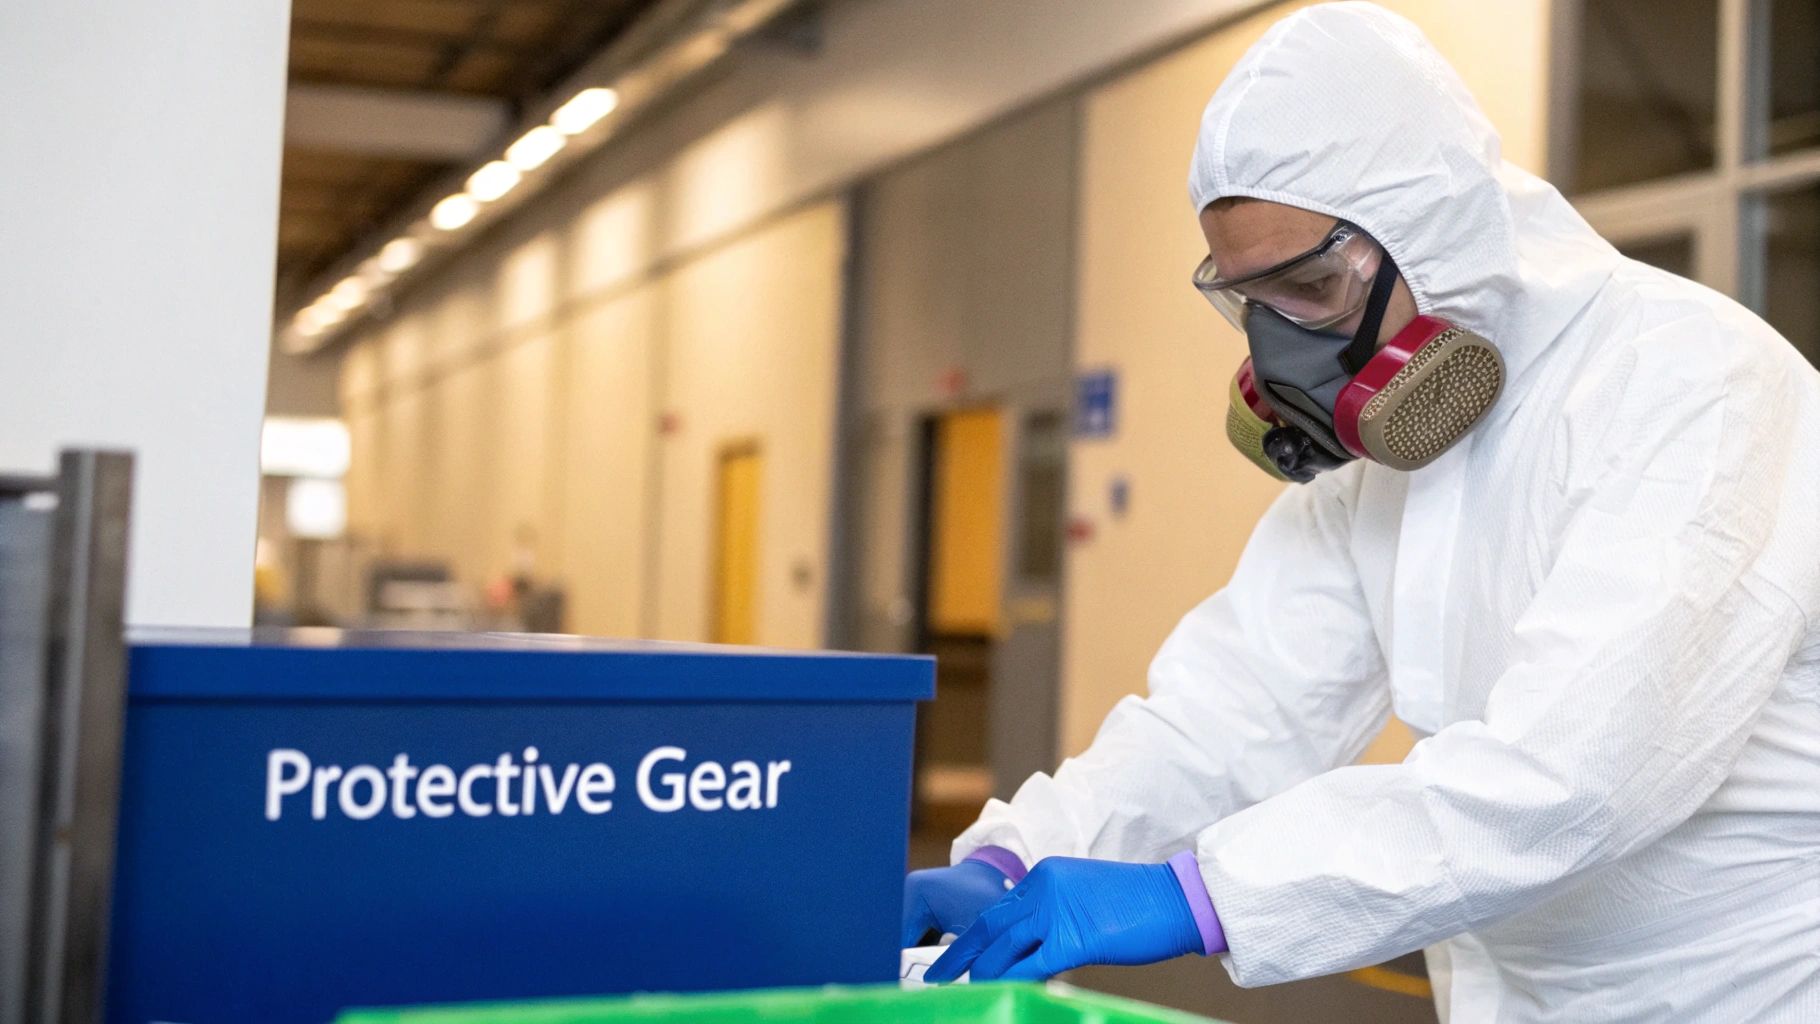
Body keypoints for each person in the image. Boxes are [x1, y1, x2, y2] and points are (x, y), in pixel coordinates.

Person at [903, 4, 1820, 1020]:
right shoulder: (1382, 460)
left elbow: (1572, 778)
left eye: (1308, 286)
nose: (1281, 349)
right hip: (1513, 986)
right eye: (1250, 300)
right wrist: (1017, 855)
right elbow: (1234, 710)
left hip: (1740, 987)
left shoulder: (1690, 386)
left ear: (1429, 232)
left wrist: (1198, 893)